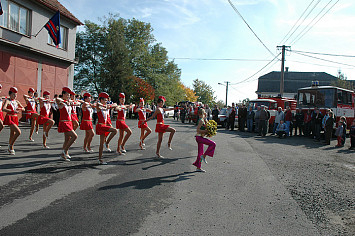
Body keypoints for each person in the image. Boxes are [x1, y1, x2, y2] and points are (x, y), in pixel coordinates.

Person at [56, 87, 78, 161]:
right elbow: (57, 99)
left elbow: (78, 103)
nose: (69, 96)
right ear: (63, 95)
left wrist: (71, 102)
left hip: (69, 122)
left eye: (69, 95)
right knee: (74, 136)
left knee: (67, 139)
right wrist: (65, 102)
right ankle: (65, 151)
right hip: (64, 122)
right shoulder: (61, 102)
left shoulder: (69, 102)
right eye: (67, 95)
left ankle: (63, 155)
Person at [96, 92, 118, 164]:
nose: (106, 101)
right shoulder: (99, 107)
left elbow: (115, 104)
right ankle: (100, 159)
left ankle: (106, 144)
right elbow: (97, 104)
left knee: (114, 131)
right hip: (100, 126)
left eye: (106, 100)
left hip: (105, 125)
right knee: (101, 143)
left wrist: (108, 105)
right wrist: (104, 105)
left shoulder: (107, 106)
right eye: (104, 100)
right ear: (101, 100)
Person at [2, 87, 25, 155]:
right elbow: (3, 109)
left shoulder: (16, 101)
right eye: (13, 94)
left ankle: (9, 147)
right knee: (18, 132)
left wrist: (19, 108)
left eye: (16, 95)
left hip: (15, 118)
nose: (15, 96)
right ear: (10, 94)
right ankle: (11, 146)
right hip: (9, 118)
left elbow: (23, 108)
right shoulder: (7, 101)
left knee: (12, 133)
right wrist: (12, 110)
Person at [193, 108, 216, 172]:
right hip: (199, 137)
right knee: (213, 144)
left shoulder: (203, 119)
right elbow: (198, 130)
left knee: (200, 153)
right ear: (203, 113)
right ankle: (204, 156)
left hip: (200, 137)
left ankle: (198, 167)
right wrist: (205, 131)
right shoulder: (201, 121)